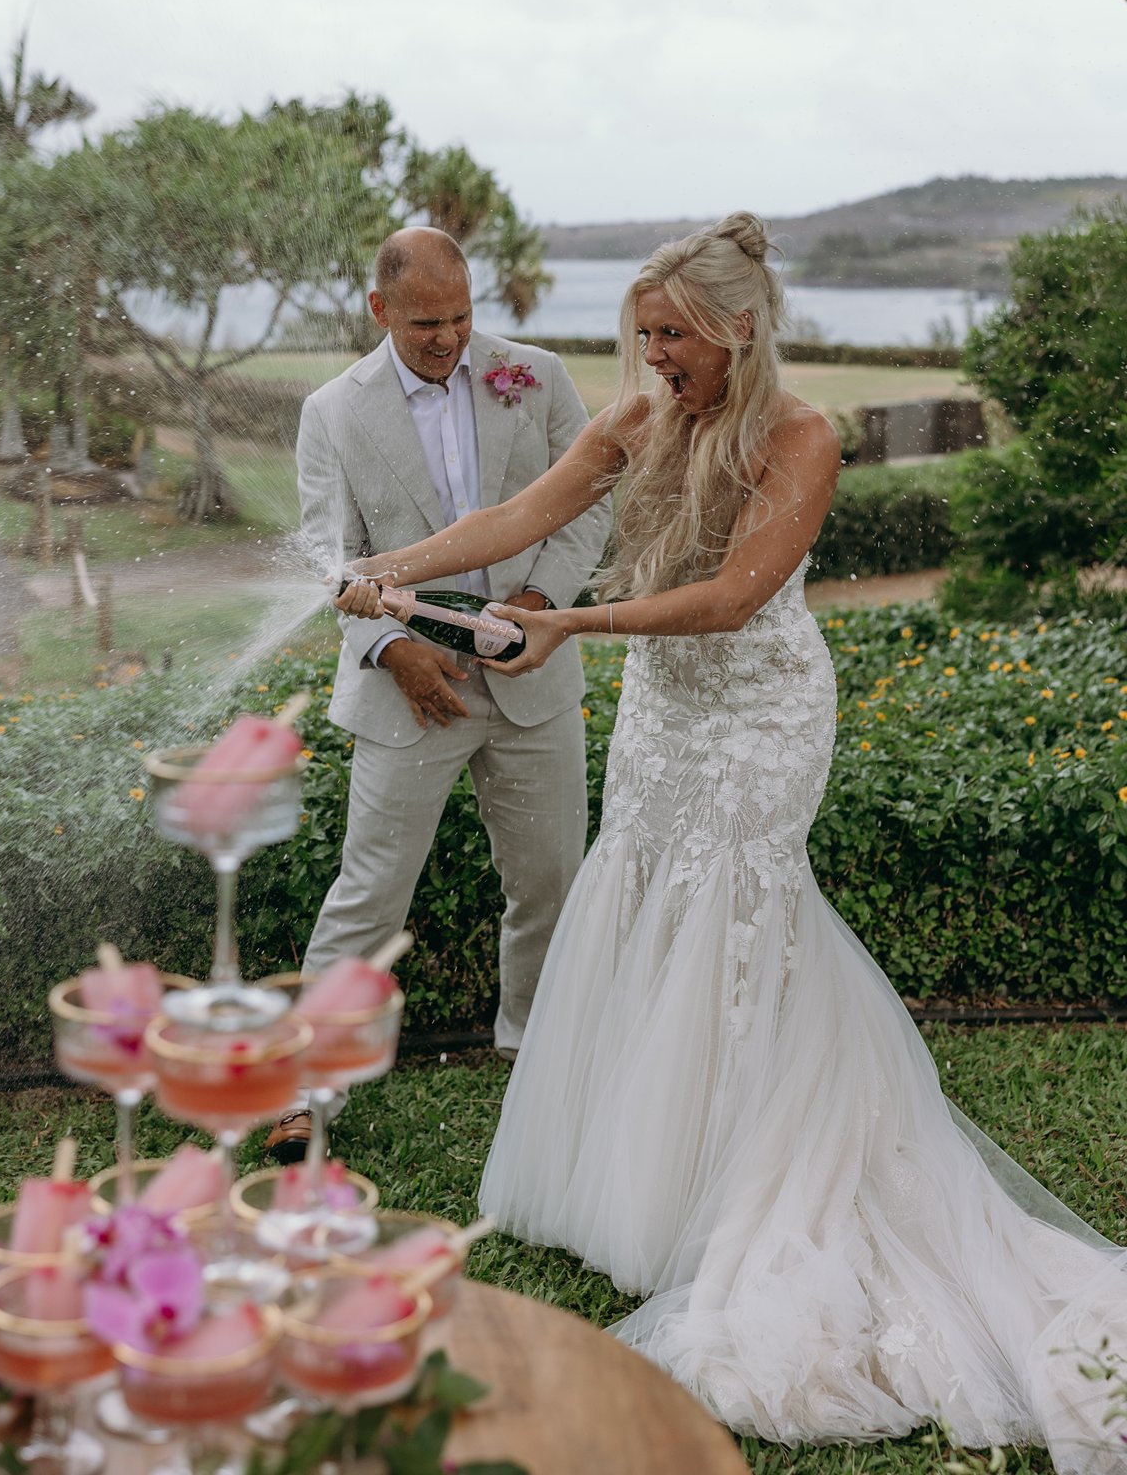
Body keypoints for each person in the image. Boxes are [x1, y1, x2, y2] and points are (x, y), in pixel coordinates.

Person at [337, 213, 1127, 1473]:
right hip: (665, 714)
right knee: (641, 900)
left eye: (676, 337)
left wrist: (576, 626)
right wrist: (389, 565)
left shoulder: (804, 435)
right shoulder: (643, 415)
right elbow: (515, 516)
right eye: (642, 333)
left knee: (737, 913)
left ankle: (743, 1176)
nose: (654, 357)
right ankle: (644, 1183)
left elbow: (731, 598)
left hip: (758, 710)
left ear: (740, 330)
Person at [275, 226, 610, 1159]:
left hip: (533, 683)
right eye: (427, 321)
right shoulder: (333, 412)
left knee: (548, 884)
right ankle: (302, 1088)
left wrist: (541, 606)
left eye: (462, 316)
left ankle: (535, 1064)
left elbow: (593, 507)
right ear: (380, 310)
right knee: (371, 891)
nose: (449, 337)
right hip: (406, 696)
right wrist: (391, 647)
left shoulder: (535, 376)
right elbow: (325, 554)